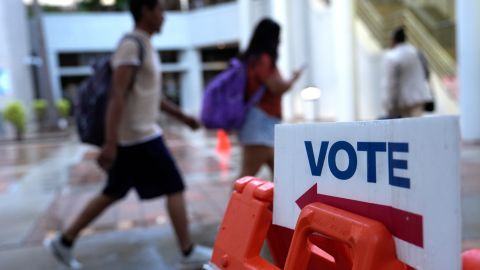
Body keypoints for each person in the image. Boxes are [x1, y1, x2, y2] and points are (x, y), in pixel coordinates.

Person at [46, 0, 212, 268]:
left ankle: (64, 241)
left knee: (114, 191)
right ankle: (187, 250)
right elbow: (117, 95)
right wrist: (110, 143)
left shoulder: (145, 44)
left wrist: (183, 117)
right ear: (145, 11)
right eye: (159, 9)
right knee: (175, 186)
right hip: (138, 136)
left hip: (137, 136)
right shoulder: (131, 45)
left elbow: (150, 95)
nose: (164, 16)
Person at [237, 18, 303, 179]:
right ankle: (233, 205)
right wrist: (293, 79)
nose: (280, 40)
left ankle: (278, 204)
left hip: (264, 122)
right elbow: (277, 87)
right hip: (260, 122)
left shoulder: (254, 59)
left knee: (281, 175)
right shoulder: (263, 60)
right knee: (246, 176)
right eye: (278, 36)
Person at [383, 27, 433, 118]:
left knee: (405, 128)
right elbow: (426, 73)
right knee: (417, 126)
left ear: (393, 40)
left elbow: (391, 84)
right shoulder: (416, 52)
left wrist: (389, 104)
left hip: (403, 101)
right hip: (419, 98)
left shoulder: (391, 56)